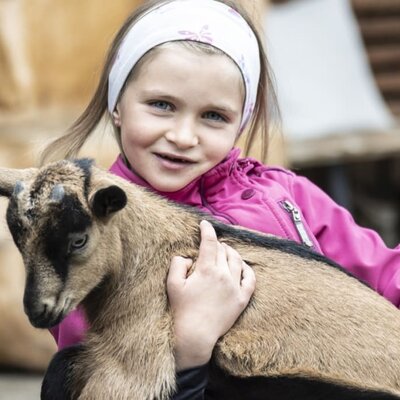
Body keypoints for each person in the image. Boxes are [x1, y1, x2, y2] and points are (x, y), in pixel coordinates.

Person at [42, 0, 400, 398]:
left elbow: (384, 272)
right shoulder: (95, 229)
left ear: (240, 123)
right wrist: (190, 340)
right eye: (161, 105)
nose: (183, 136)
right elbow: (104, 374)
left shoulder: (285, 195)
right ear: (117, 105)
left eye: (213, 116)